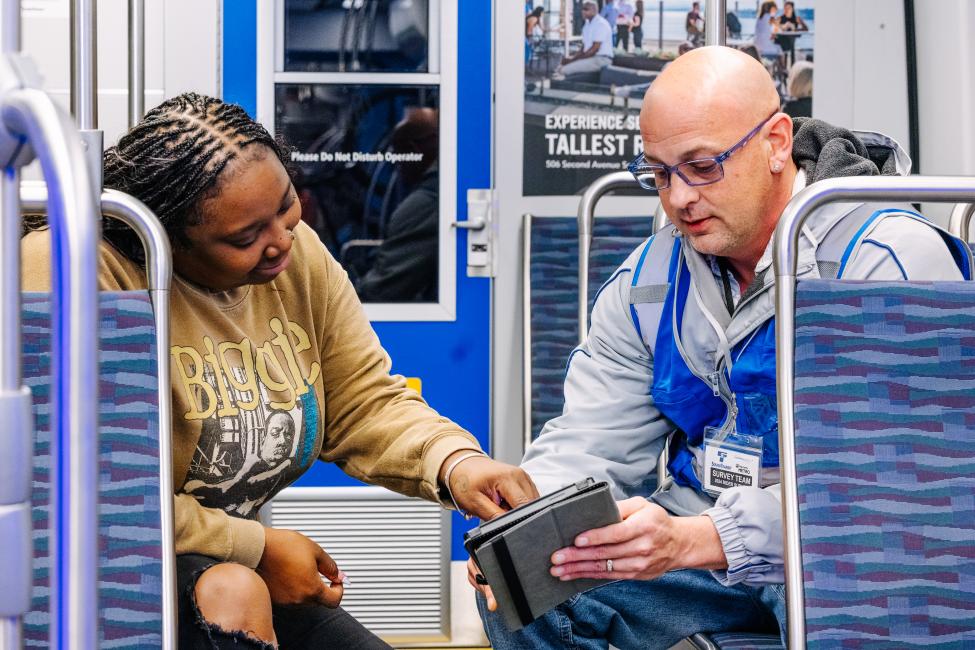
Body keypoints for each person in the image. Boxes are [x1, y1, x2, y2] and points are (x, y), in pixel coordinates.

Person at [473, 46, 969, 649]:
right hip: (702, 552)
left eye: (702, 166)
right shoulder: (650, 280)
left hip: (838, 559)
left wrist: (707, 536)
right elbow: (592, 439)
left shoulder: (885, 263)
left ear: (777, 142)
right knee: (531, 587)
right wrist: (525, 526)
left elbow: (896, 494)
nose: (679, 198)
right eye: (658, 173)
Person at [21, 92, 540, 650]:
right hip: (103, 571)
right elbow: (92, 489)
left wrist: (456, 463)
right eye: (245, 238)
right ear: (168, 237)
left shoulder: (295, 255)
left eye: (287, 206)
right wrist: (256, 548)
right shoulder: (72, 267)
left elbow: (361, 401)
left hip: (226, 563)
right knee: (233, 591)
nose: (281, 243)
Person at [356, 107, 440, 302]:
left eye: (399, 157)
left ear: (414, 151)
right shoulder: (445, 190)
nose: (397, 169)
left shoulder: (425, 204)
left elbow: (382, 290)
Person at [554, 1, 613, 80]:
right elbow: (584, 48)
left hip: (601, 59)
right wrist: (572, 58)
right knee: (559, 67)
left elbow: (594, 49)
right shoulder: (587, 24)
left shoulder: (601, 24)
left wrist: (573, 60)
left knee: (563, 70)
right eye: (582, 9)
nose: (583, 11)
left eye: (586, 9)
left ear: (594, 10)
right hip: (592, 58)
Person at [775, 1, 808, 68]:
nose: (786, 10)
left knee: (791, 42)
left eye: (788, 8)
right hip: (781, 41)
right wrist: (783, 26)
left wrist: (796, 29)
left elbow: (806, 29)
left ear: (792, 9)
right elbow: (775, 28)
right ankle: (785, 70)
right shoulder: (780, 18)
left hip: (791, 41)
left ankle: (791, 68)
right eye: (785, 8)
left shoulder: (796, 18)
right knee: (786, 47)